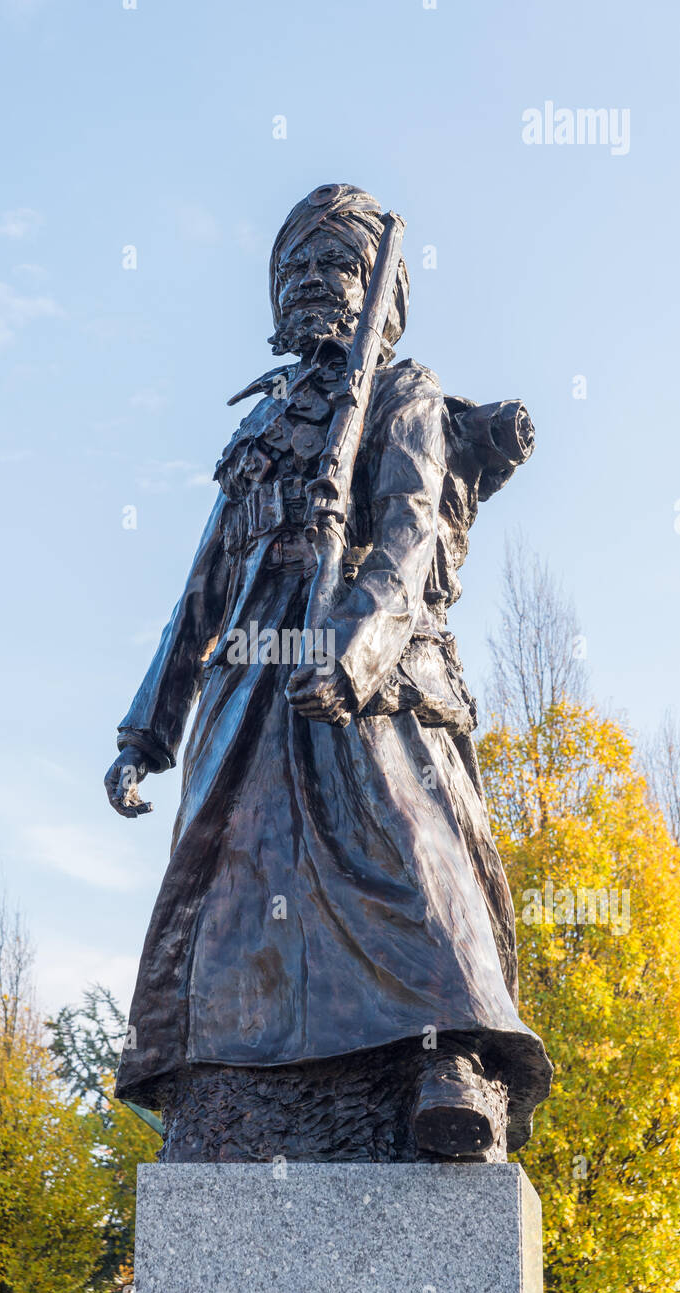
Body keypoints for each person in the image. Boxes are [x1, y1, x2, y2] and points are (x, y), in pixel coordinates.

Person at [106, 183, 552, 1163]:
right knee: (235, 885)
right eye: (296, 271)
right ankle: (226, 1089)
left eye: (335, 267)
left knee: (403, 847)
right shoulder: (261, 429)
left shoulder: (405, 395)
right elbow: (205, 583)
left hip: (369, 671)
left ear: (375, 295)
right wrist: (148, 727)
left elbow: (403, 533)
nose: (313, 284)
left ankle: (450, 1064)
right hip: (250, 689)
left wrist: (353, 654)